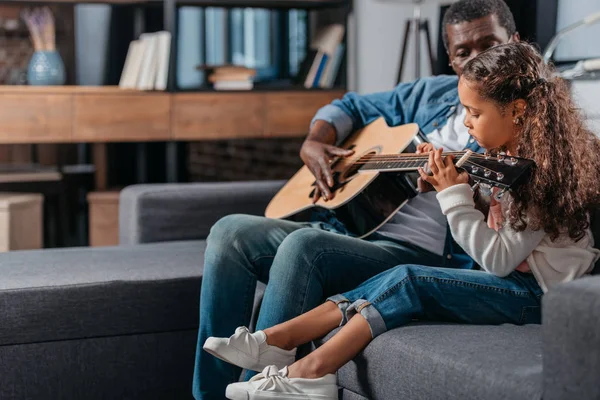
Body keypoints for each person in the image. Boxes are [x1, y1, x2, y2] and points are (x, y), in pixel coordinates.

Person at [208, 41, 600, 400]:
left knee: (409, 279)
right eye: (464, 110)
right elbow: (503, 235)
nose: (466, 123)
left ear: (517, 111)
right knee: (381, 282)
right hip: (519, 281)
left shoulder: (541, 175)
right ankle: (275, 340)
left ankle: (309, 370)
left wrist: (453, 195)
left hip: (542, 296)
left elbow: (496, 260)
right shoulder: (507, 159)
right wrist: (458, 188)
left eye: (474, 112)